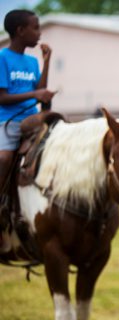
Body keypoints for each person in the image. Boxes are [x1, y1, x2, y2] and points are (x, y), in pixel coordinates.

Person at [0, 9, 55, 208]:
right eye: (35, 28)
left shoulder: (32, 62)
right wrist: (35, 95)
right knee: (4, 158)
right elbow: (2, 97)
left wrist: (47, 61)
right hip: (8, 122)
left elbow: (40, 90)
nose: (39, 33)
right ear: (20, 30)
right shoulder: (2, 58)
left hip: (33, 121)